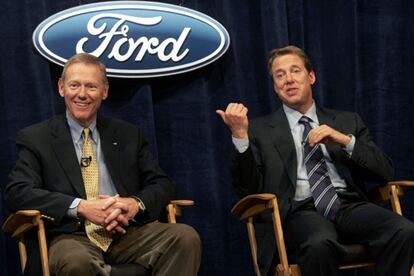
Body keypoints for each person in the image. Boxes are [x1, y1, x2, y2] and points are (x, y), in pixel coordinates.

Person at [217, 45, 414, 276]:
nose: (288, 80)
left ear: (311, 76)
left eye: (295, 71)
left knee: (403, 230)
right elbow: (248, 189)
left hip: (347, 205)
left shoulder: (346, 120)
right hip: (299, 211)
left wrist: (344, 141)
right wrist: (240, 136)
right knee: (320, 242)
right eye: (280, 75)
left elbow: (385, 172)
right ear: (274, 86)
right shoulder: (259, 130)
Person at [5, 53, 201, 276]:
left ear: (104, 91)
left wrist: (135, 204)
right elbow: (18, 192)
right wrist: (81, 207)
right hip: (70, 237)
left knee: (185, 238)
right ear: (61, 88)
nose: (82, 94)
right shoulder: (36, 138)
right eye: (74, 85)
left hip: (125, 233)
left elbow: (162, 184)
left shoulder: (128, 135)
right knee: (77, 261)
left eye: (91, 86)